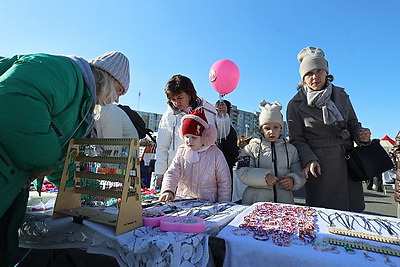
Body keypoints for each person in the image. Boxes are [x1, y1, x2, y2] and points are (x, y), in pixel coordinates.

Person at [0, 50, 130, 266]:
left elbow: (64, 164)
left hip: (11, 182)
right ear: (108, 78)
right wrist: (46, 159)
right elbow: (12, 99)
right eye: (118, 91)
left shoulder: (82, 105)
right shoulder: (64, 71)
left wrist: (88, 195)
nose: (115, 99)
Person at [286, 46, 371, 212]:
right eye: (309, 73)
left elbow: (353, 122)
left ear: (327, 72)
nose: (315, 77)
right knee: (325, 219)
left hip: (347, 162)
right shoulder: (295, 105)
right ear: (303, 78)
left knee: (352, 216)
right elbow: (297, 139)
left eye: (319, 71)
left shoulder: (342, 95)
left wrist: (360, 134)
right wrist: (310, 159)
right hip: (320, 167)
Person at [153, 74, 230, 188]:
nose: (176, 103)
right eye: (173, 99)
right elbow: (162, 147)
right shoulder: (168, 116)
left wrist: (222, 117)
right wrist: (160, 174)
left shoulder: (208, 110)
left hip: (202, 174)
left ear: (190, 94)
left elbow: (221, 134)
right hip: (176, 174)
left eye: (180, 97)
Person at [236, 100, 305, 205]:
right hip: (255, 202)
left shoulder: (291, 150)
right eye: (267, 128)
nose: (271, 132)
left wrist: (293, 180)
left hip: (284, 203)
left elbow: (300, 172)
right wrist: (264, 177)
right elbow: (242, 171)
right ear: (261, 129)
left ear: (281, 128)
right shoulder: (250, 148)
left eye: (275, 127)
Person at [159, 108, 231, 202]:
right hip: (183, 201)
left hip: (209, 204)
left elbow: (224, 182)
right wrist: (168, 190)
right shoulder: (182, 152)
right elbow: (172, 173)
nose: (189, 141)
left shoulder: (215, 154)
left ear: (205, 136)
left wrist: (223, 204)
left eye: (194, 137)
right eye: (186, 137)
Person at [215, 99, 239, 181]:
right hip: (223, 159)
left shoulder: (230, 124)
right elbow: (223, 142)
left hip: (229, 160)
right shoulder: (219, 123)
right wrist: (236, 154)